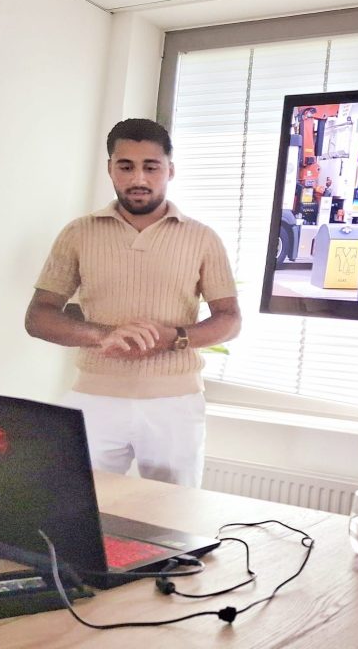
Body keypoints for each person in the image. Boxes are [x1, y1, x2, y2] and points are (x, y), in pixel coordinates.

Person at [25, 118, 240, 488]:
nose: (138, 178)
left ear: (169, 170)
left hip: (175, 404)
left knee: (175, 517)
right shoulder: (78, 233)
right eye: (126, 166)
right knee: (81, 510)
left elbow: (229, 319)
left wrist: (173, 337)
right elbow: (38, 317)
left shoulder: (203, 238)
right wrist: (103, 335)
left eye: (151, 166)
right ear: (110, 169)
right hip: (93, 399)